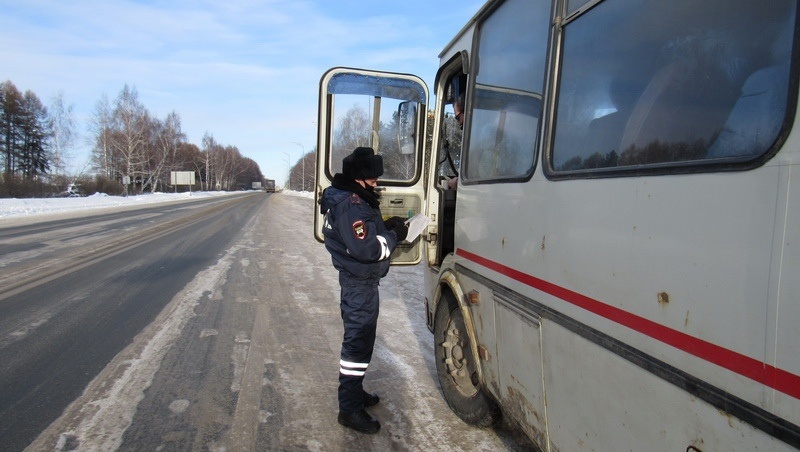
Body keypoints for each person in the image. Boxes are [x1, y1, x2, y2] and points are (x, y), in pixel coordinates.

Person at [318, 146, 408, 434]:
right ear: (359, 177)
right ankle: (349, 409)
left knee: (363, 341)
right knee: (357, 344)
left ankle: (354, 394)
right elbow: (368, 249)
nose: (376, 182)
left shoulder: (351, 198)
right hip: (359, 285)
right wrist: (394, 236)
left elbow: (364, 234)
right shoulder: (351, 205)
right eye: (372, 178)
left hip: (361, 283)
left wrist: (386, 227)